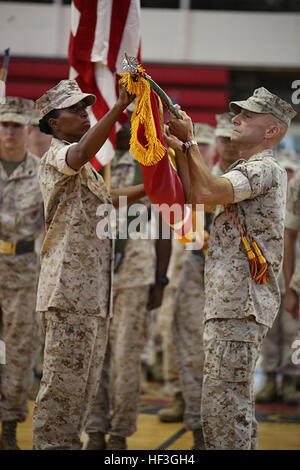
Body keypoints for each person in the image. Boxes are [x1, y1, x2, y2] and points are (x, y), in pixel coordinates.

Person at [167, 87, 296, 449]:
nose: (236, 119)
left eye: (248, 116)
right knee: (227, 407)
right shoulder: (249, 167)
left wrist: (191, 142)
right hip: (232, 305)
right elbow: (196, 195)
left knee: (226, 409)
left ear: (271, 131)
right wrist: (179, 150)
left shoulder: (264, 167)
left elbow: (207, 193)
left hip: (239, 304)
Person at [33, 79, 145, 450]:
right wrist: (117, 109)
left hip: (91, 298)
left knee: (79, 394)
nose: (83, 113)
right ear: (52, 122)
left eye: (86, 107)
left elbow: (108, 199)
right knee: (61, 392)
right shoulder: (58, 156)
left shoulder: (84, 169)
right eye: (74, 109)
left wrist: (150, 188)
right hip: (68, 295)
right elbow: (80, 153)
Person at [85, 118, 171, 450]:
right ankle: (94, 429)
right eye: (116, 120)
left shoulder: (150, 163)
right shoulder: (93, 161)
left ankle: (120, 432)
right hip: (94, 276)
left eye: (128, 121)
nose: (121, 128)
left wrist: (161, 280)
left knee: (126, 356)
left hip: (135, 275)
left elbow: (164, 226)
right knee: (94, 358)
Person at [163, 113, 239, 449]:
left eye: (232, 138)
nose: (227, 145)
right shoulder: (196, 174)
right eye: (222, 138)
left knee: (226, 359)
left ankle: (223, 432)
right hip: (197, 269)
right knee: (191, 351)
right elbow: (179, 209)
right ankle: (196, 428)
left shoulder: (249, 177)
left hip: (233, 277)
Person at [156, 122, 215, 425]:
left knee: (203, 340)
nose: (201, 150)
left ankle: (202, 401)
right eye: (198, 145)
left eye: (206, 146)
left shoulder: (213, 178)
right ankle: (178, 394)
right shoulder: (176, 178)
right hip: (177, 264)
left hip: (205, 268)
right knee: (170, 331)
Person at [0, 97, 44, 449]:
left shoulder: (43, 173)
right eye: (4, 124)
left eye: (17, 125)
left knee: (17, 351)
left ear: (28, 128)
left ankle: (9, 425)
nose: (10, 131)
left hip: (24, 276)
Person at [256, 150, 300, 404]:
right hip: (269, 277)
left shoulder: (295, 200)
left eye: (290, 172)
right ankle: (271, 378)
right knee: (270, 332)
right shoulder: (264, 202)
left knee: (294, 332)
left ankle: (292, 379)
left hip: (293, 278)